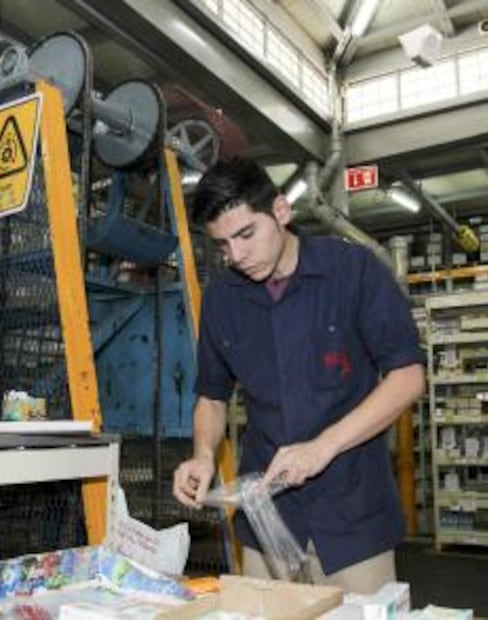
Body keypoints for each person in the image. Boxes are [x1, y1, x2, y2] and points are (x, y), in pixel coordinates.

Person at [172, 157, 425, 594]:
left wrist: (322, 448)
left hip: (351, 518)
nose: (237, 256)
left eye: (247, 234)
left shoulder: (353, 271)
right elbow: (212, 397)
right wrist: (202, 455)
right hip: (266, 518)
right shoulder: (222, 299)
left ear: (281, 211)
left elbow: (407, 377)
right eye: (223, 245)